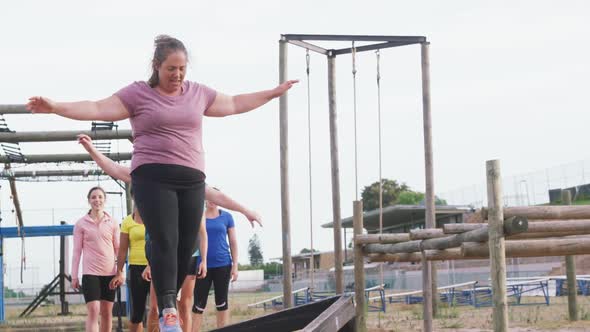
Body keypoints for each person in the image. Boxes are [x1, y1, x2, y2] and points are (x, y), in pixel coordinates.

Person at [27, 34, 293, 331]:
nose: (177, 75)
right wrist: (55, 107)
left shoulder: (198, 93)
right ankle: (168, 306)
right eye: (171, 69)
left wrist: (271, 93)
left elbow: (233, 102)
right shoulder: (138, 94)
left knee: (187, 242)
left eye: (182, 69)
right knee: (165, 238)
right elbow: (97, 107)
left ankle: (169, 294)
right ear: (156, 66)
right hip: (152, 177)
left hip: (192, 179)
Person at [78, 133, 260, 331]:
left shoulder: (189, 180)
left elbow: (218, 195)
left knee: (182, 277)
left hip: (185, 249)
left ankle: (170, 311)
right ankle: (169, 311)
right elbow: (114, 168)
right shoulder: (149, 178)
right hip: (159, 245)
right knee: (163, 262)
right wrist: (92, 150)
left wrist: (245, 210)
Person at [71, 187, 120, 332]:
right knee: (93, 310)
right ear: (89, 201)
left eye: (100, 197)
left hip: (110, 273)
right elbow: (76, 251)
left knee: (106, 312)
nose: (97, 200)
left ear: (105, 200)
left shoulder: (113, 222)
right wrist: (74, 276)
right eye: (93, 197)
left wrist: (120, 272)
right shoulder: (81, 224)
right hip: (90, 273)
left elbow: (118, 249)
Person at [192, 192, 238, 331]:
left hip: (223, 264)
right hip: (202, 265)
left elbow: (233, 242)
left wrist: (235, 265)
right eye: (209, 197)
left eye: (215, 198)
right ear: (205, 199)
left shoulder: (227, 217)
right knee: (198, 304)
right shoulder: (198, 216)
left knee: (222, 303)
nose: (212, 201)